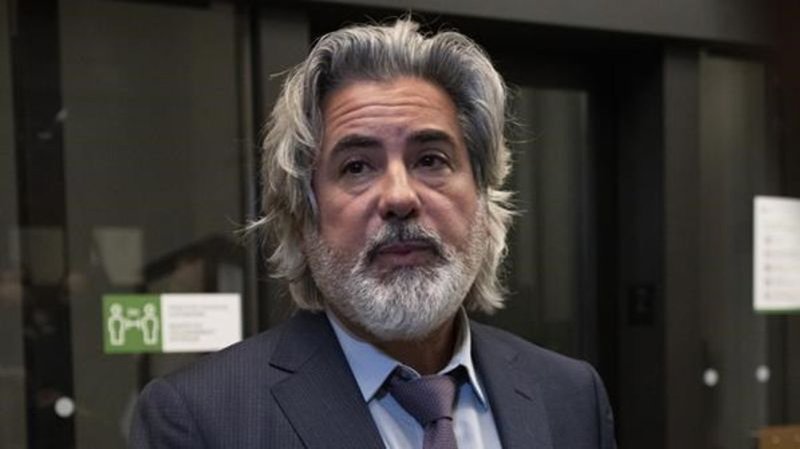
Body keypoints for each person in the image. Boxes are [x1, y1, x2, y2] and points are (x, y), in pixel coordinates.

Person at [130, 18, 617, 449]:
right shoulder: (202, 422)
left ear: (483, 198)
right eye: (357, 167)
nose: (400, 197)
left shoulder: (571, 397)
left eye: (431, 160)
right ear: (301, 214)